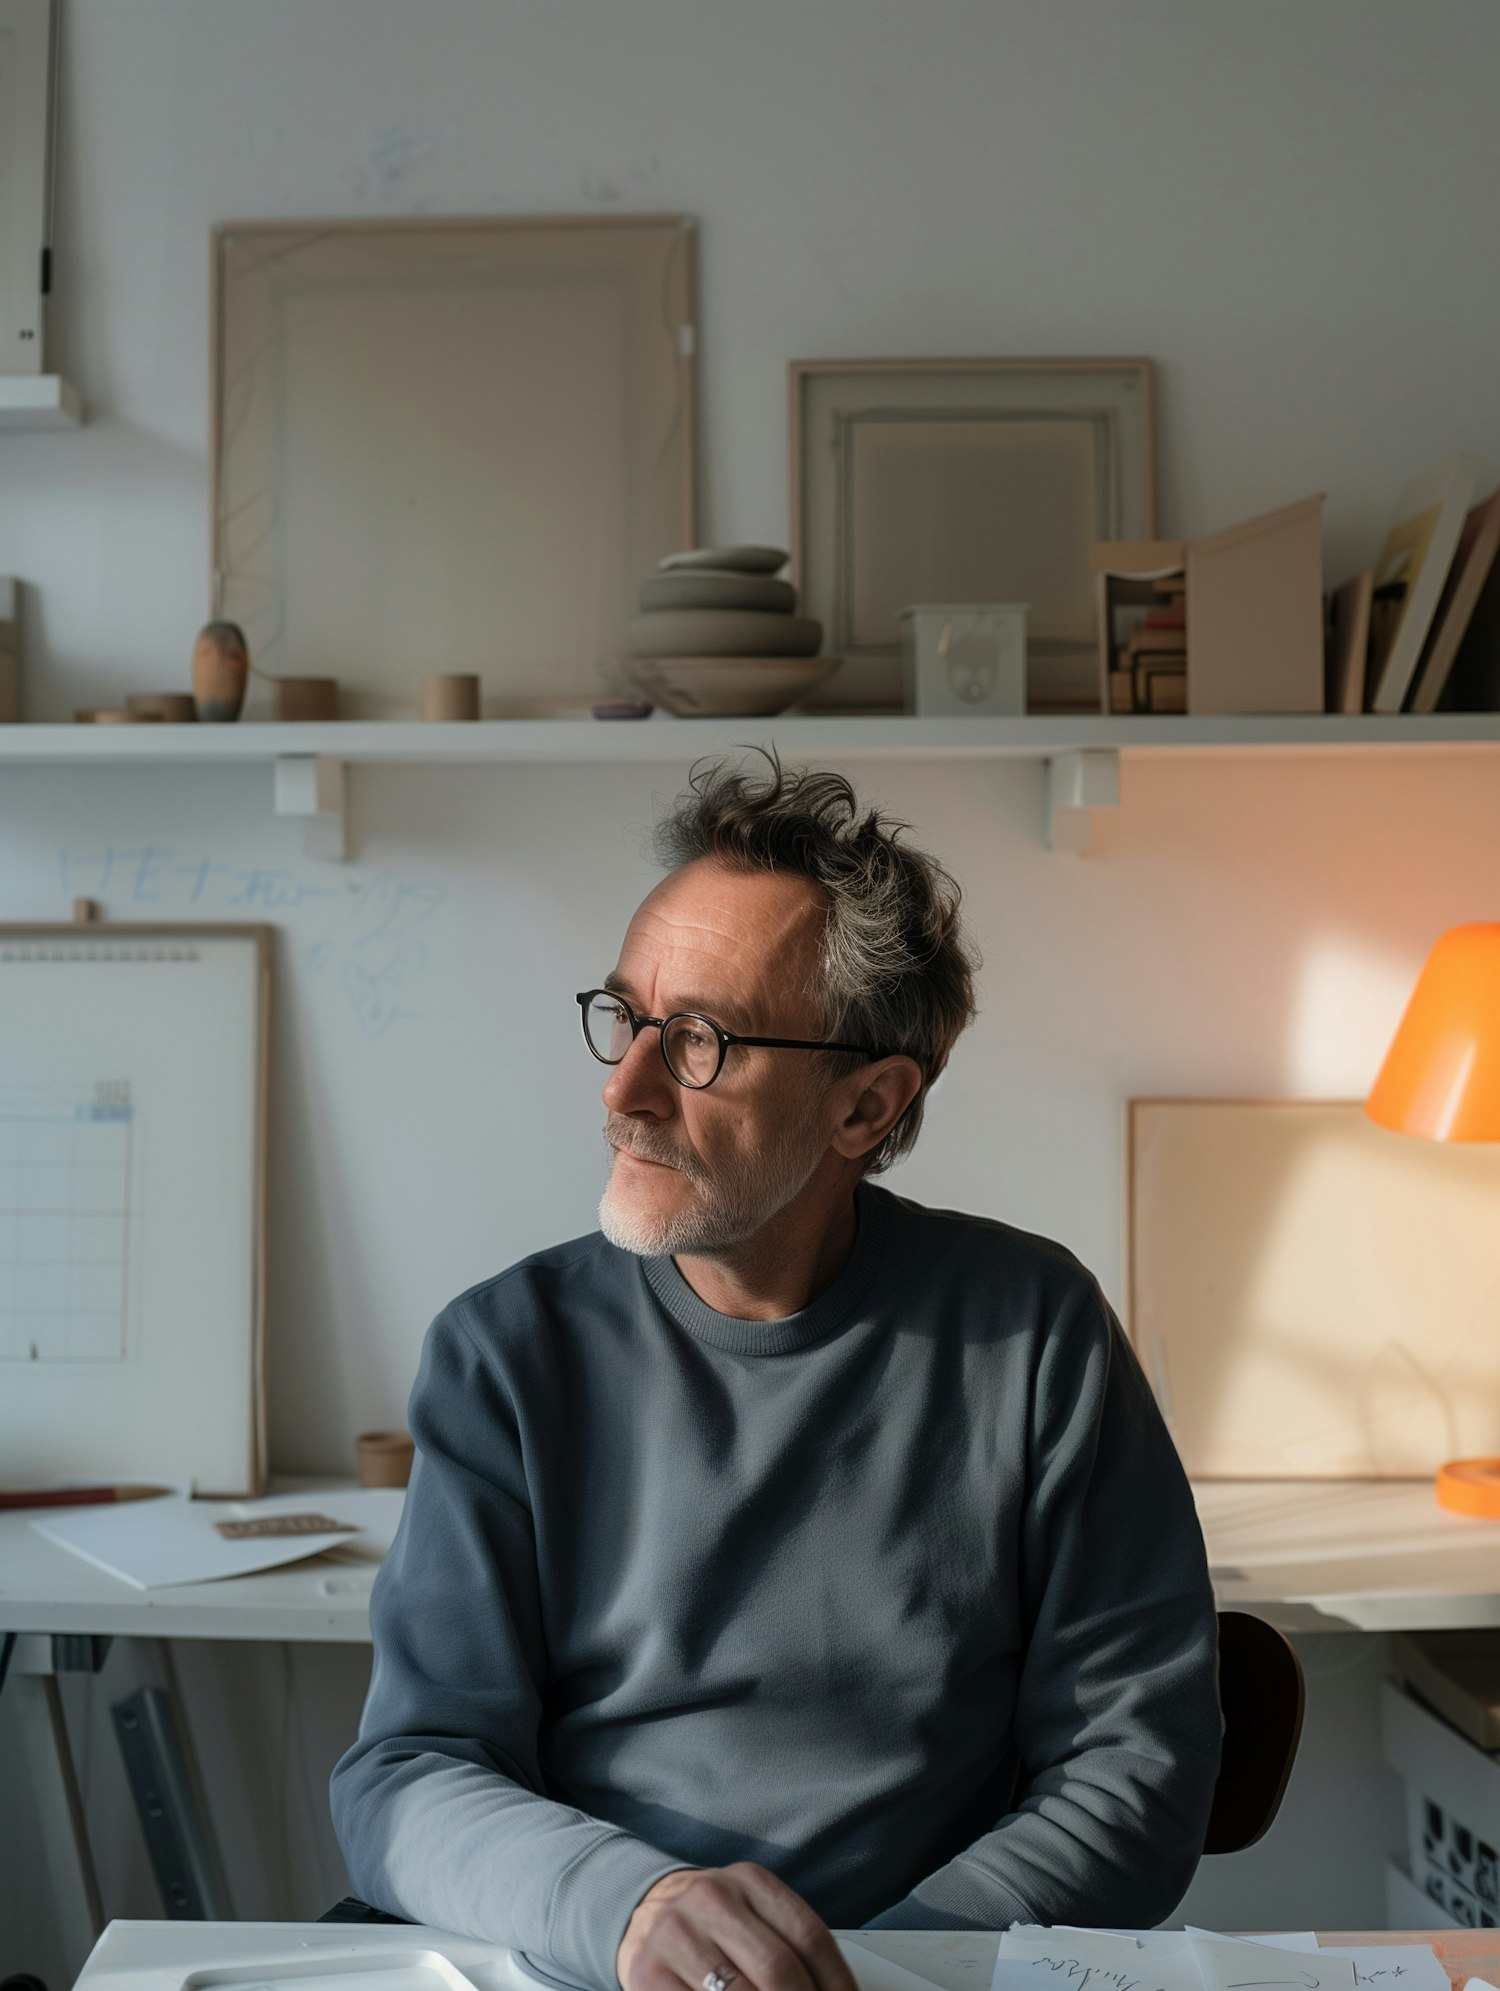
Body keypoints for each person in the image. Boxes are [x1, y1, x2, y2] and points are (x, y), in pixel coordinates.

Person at [330, 753, 1221, 1991]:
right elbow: (406, 1773)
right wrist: (635, 1911)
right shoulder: (505, 1351)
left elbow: (1137, 1761)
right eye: (626, 1015)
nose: (625, 1087)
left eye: (698, 1041)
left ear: (867, 1106)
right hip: (588, 1960)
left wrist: (867, 1971)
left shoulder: (1035, 1331)